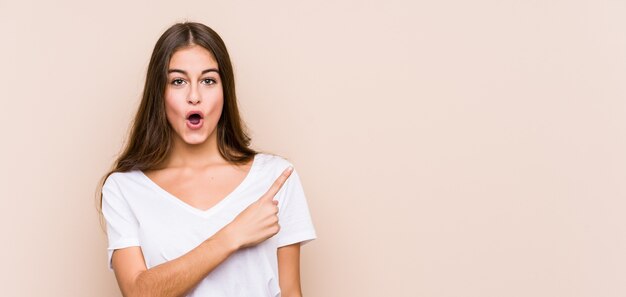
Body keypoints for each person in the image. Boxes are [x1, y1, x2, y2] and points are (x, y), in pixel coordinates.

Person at [95, 21, 317, 297]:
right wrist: (233, 235)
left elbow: (291, 292)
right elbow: (139, 292)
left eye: (208, 80)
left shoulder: (276, 178)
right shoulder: (124, 189)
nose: (194, 96)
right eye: (178, 81)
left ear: (225, 91)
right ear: (159, 94)